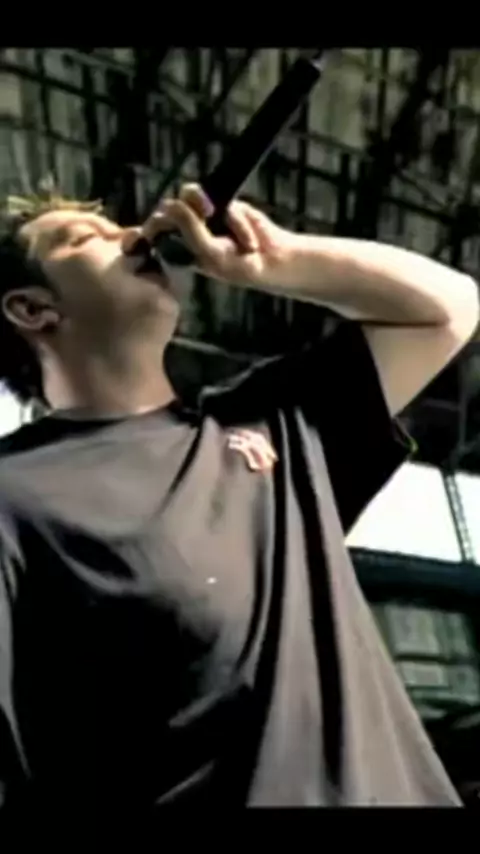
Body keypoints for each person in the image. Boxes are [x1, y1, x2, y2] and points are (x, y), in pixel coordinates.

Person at [0, 180, 477, 825]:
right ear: (33, 308)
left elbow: (447, 309)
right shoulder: (14, 495)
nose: (133, 234)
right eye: (87, 237)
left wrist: (276, 261)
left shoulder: (272, 419)